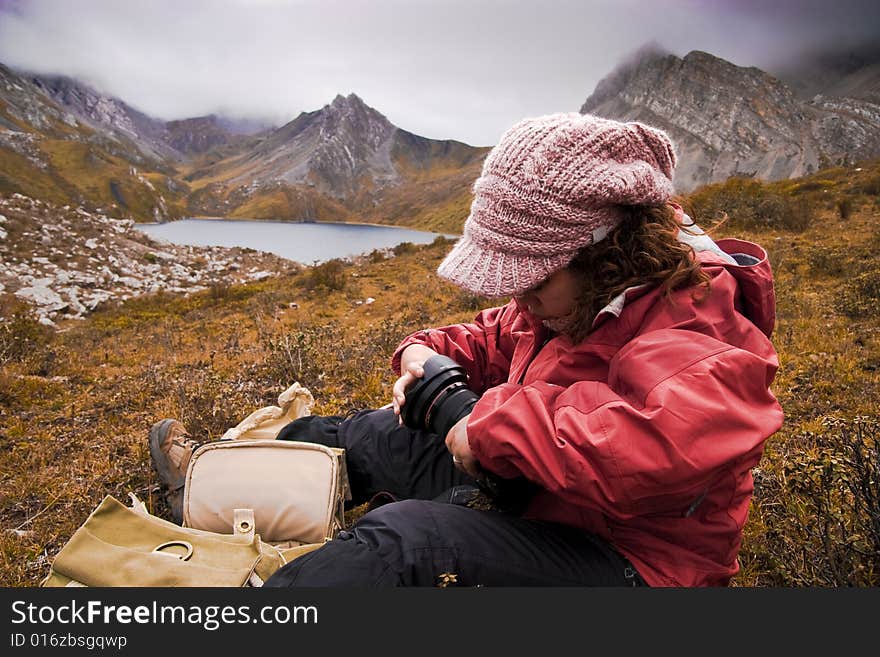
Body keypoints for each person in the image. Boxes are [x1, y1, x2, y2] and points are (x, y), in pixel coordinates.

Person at [152, 112, 784, 587]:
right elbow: (486, 336)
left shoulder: (698, 327)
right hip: (538, 492)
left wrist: (480, 421)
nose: (521, 296)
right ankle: (206, 483)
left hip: (630, 561)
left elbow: (646, 450)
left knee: (406, 543)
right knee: (374, 434)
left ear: (602, 251)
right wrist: (419, 357)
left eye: (532, 277)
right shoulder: (571, 294)